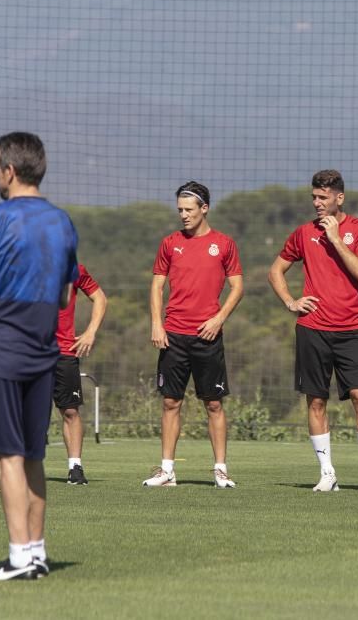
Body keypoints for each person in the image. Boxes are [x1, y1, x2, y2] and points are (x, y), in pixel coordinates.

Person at [0, 132, 79, 580]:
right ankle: (39, 555)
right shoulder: (62, 222)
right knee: (34, 455)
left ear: (8, 170)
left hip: (0, 347)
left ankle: (19, 558)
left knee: (8, 454)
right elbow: (66, 296)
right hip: (43, 349)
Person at [267, 169, 358, 493]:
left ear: (339, 198)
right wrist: (291, 301)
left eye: (323, 198)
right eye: (314, 198)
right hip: (312, 329)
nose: (317, 203)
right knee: (316, 401)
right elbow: (275, 270)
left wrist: (335, 240)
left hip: (351, 328)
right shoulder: (303, 233)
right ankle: (327, 473)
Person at [144, 182, 243, 488]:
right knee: (171, 403)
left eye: (188, 210)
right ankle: (167, 470)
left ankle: (220, 470)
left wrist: (218, 318)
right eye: (179, 210)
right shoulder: (169, 243)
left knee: (213, 404)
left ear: (204, 209)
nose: (183, 215)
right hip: (174, 335)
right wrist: (157, 324)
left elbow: (237, 287)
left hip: (208, 337)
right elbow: (157, 286)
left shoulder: (224, 244)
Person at [54, 263, 107, 485]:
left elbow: (100, 298)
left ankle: (75, 466)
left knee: (70, 411)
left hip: (64, 352)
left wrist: (90, 332)